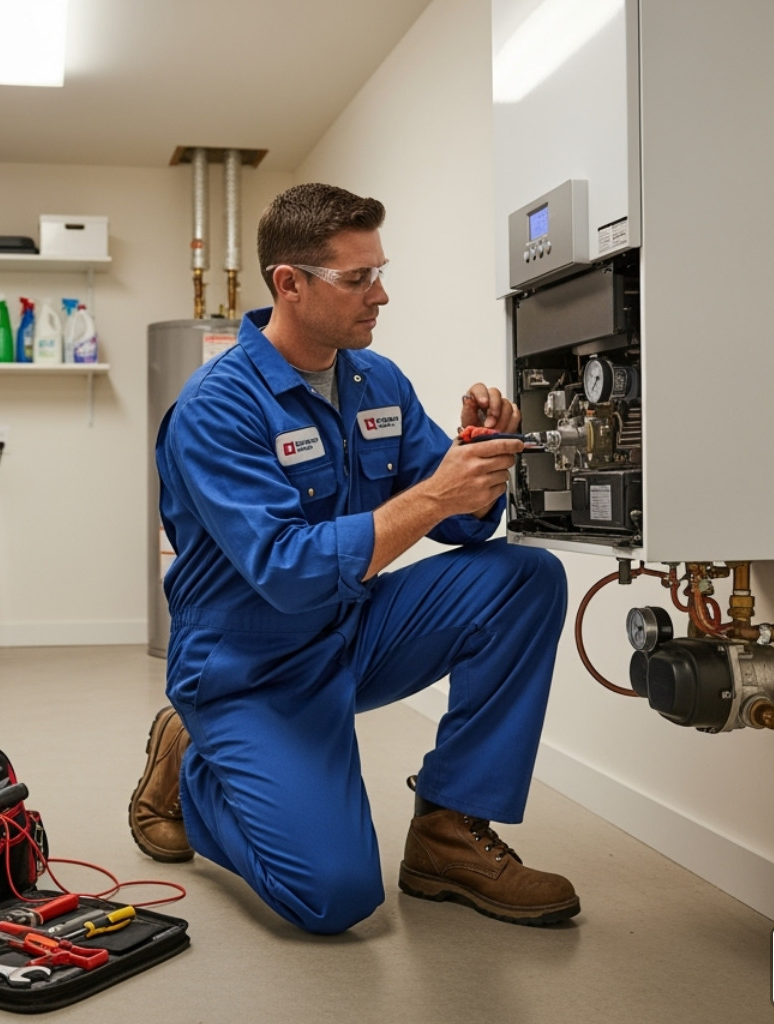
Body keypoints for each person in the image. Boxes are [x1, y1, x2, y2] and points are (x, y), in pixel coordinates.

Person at [130, 183, 575, 935]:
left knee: (524, 578)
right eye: (358, 278)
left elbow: (465, 529)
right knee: (334, 896)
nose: (382, 294)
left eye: (380, 270)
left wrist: (475, 458)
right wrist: (434, 497)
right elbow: (287, 568)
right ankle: (196, 771)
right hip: (250, 668)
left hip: (353, 629)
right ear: (290, 284)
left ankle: (447, 833)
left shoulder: (377, 383)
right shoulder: (217, 407)